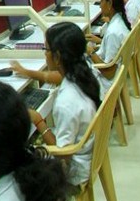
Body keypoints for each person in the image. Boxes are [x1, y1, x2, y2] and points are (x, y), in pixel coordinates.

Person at [27, 23, 101, 185]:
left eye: (46, 50)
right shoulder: (87, 73)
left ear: (58, 57)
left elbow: (64, 154)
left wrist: (39, 121)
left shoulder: (66, 101)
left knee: (22, 161)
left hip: (76, 168)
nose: (45, 55)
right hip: (88, 151)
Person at [87, 0, 131, 88]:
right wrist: (101, 41)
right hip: (116, 76)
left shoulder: (113, 32)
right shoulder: (119, 20)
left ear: (110, 3)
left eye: (101, 1)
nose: (100, 6)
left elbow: (109, 73)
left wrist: (90, 52)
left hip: (107, 84)